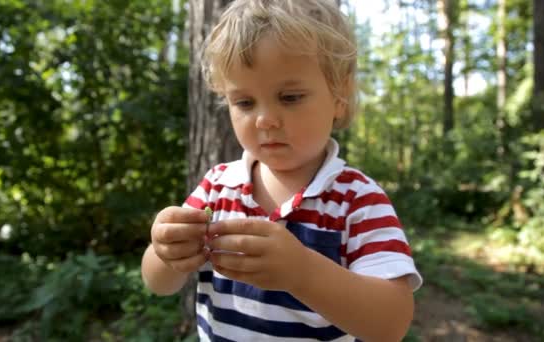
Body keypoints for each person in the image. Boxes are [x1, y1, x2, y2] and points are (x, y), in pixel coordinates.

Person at [141, 0, 423, 340]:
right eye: (244, 102)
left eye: (290, 97)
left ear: (340, 96)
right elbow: (158, 284)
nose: (265, 119)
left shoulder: (357, 200)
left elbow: (390, 324)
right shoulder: (217, 187)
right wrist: (165, 251)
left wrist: (301, 272)